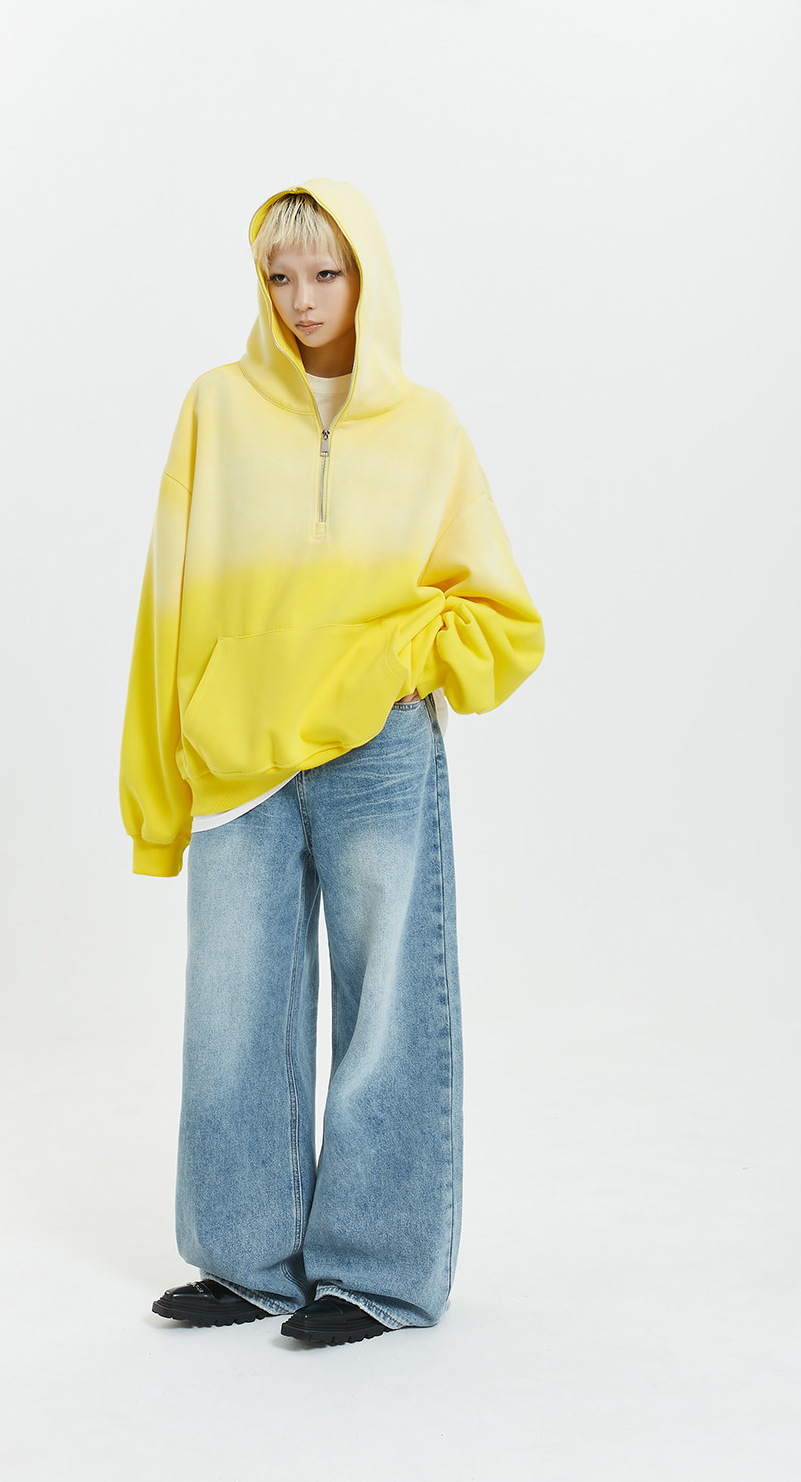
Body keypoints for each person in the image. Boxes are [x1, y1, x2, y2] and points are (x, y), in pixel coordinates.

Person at [118, 177, 544, 1345]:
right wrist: (155, 798)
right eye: (279, 275)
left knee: (390, 1008)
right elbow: (166, 606)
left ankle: (377, 1275)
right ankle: (246, 1261)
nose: (302, 298)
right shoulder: (214, 408)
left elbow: (502, 620)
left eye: (326, 272)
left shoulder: (427, 428)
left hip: (376, 751)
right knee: (234, 1012)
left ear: (367, 276)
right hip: (236, 752)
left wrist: (407, 660)